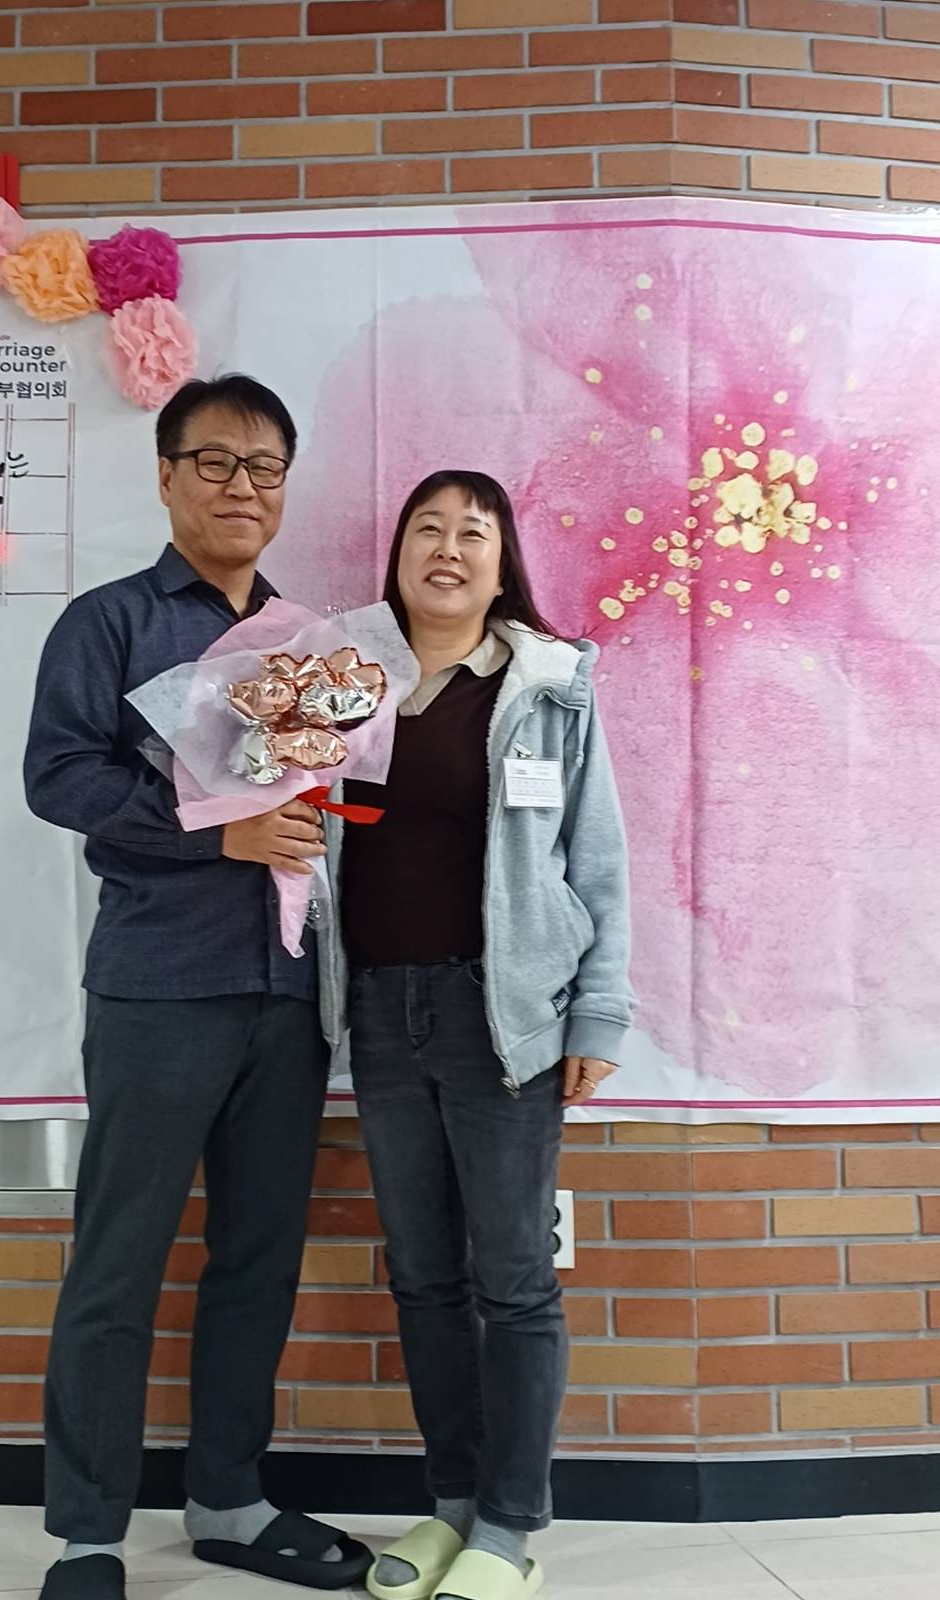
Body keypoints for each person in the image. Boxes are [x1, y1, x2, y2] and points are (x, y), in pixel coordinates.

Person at [24, 375, 372, 1600]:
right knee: (118, 1260)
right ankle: (88, 1536)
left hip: (287, 988)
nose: (242, 486)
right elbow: (58, 776)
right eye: (216, 461)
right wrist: (214, 830)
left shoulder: (310, 641)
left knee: (258, 1256)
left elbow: (331, 789)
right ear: (167, 475)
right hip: (160, 987)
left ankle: (228, 1498)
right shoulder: (109, 623)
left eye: (265, 466)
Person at [321, 471, 634, 1600]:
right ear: (397, 551)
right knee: (421, 1276)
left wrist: (598, 1011)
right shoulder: (340, 676)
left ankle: (508, 1527)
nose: (447, 549)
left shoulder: (550, 687)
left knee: (512, 1279)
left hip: (503, 1017)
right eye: (428, 529)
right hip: (380, 1012)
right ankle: (450, 1508)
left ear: (503, 567)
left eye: (474, 533)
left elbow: (598, 859)